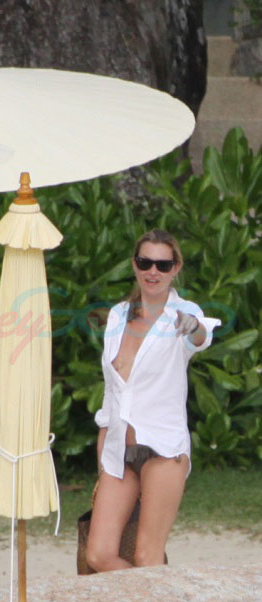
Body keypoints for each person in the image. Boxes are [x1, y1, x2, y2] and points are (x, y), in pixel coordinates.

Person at [86, 229, 221, 572]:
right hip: (120, 450)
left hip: (164, 449)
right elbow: (112, 392)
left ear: (176, 268)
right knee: (98, 555)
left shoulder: (183, 313)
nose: (153, 272)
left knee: (148, 557)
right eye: (145, 262)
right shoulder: (118, 315)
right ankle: (157, 599)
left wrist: (193, 326)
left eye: (163, 265)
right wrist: (103, 455)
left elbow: (201, 336)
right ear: (135, 264)